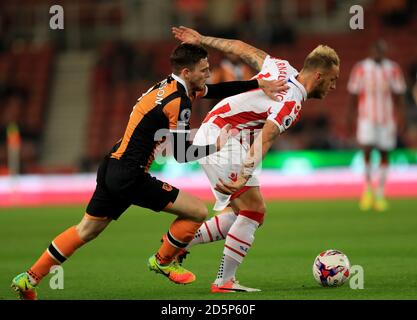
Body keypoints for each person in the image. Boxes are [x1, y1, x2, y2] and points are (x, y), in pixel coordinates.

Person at [10, 43, 287, 300]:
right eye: (204, 70)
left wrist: (256, 83)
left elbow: (214, 90)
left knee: (86, 230)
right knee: (197, 211)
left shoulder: (168, 85)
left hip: (111, 165)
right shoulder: (180, 102)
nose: (209, 73)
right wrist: (216, 144)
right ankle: (163, 260)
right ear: (188, 72)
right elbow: (181, 155)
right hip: (131, 174)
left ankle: (29, 278)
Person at [171, 26, 340, 292]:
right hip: (222, 139)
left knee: (239, 213)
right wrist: (241, 175)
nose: (334, 86)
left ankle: (176, 246)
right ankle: (224, 282)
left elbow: (241, 48)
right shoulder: (293, 101)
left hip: (219, 132)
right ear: (318, 76)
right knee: (254, 210)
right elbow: (268, 136)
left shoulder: (281, 68)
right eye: (332, 79)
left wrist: (202, 39)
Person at [347, 40, 406, 212]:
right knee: (366, 150)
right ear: (371, 51)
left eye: (381, 51)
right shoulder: (361, 68)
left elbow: (399, 94)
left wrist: (401, 116)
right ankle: (367, 190)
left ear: (385, 52)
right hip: (367, 117)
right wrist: (350, 116)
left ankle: (380, 192)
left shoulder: (393, 69)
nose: (378, 54)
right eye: (376, 51)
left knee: (384, 153)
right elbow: (353, 93)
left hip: (386, 118)